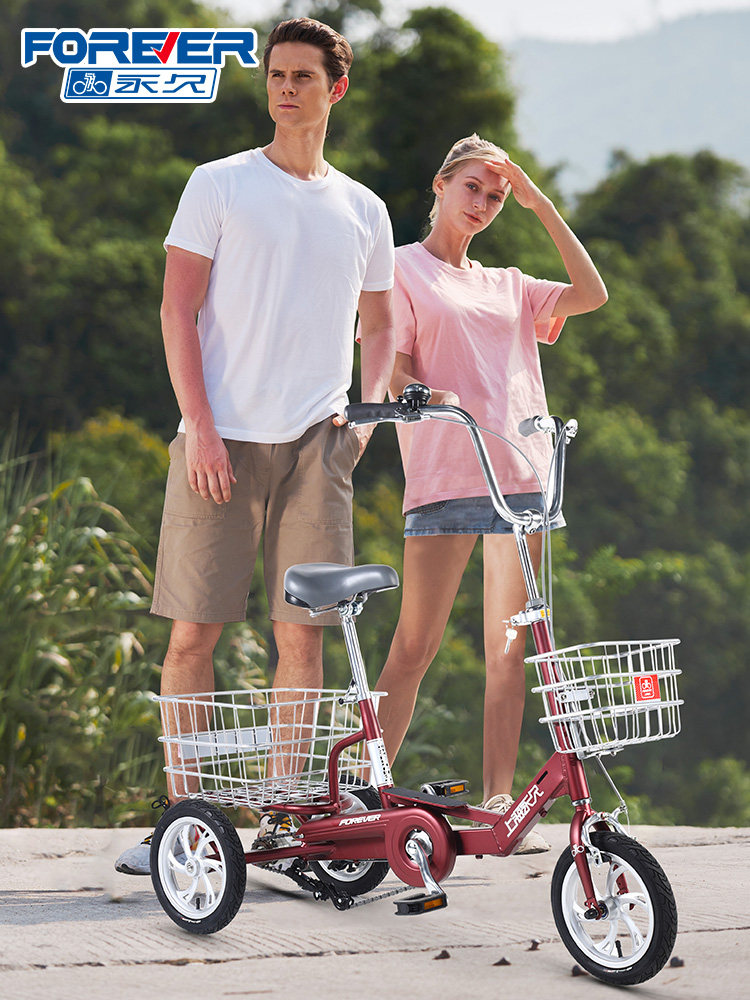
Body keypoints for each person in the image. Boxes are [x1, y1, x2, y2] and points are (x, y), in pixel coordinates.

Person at [115, 18, 395, 875]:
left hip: (321, 442)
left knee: (301, 638)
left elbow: (381, 322)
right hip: (220, 437)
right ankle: (186, 824)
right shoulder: (220, 183)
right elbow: (177, 310)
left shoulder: (363, 207)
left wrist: (369, 412)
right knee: (194, 631)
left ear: (334, 89)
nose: (283, 88)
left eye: (302, 76)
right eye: (275, 74)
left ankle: (283, 824)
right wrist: (198, 425)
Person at [374, 134, 607, 853]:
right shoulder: (399, 269)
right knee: (415, 644)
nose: (483, 204)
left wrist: (539, 204)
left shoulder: (510, 284)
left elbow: (593, 292)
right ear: (440, 184)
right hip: (446, 472)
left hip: (520, 477)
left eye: (497, 196)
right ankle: (365, 786)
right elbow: (391, 358)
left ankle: (502, 803)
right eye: (473, 187)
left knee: (510, 649)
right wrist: (417, 389)